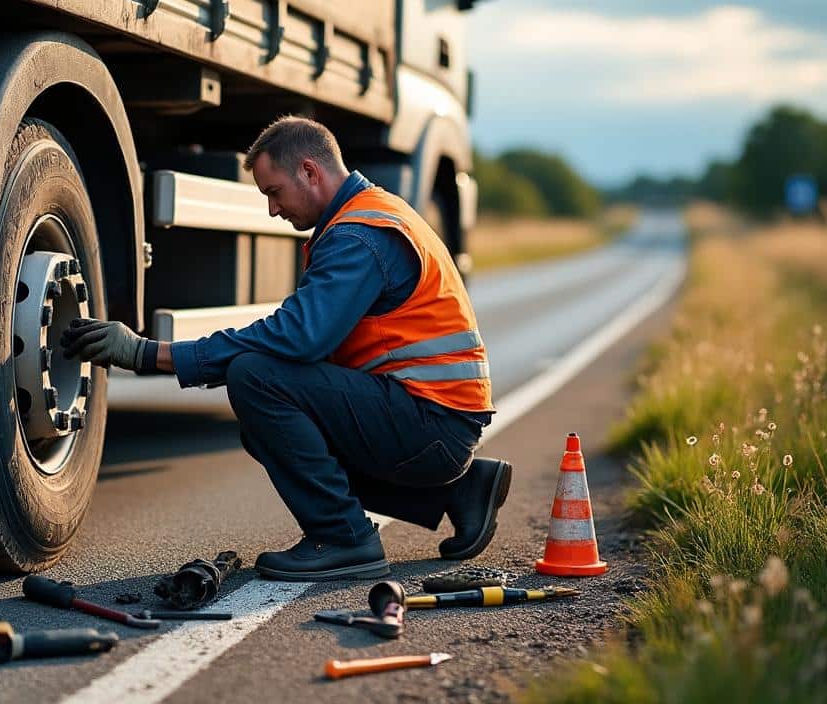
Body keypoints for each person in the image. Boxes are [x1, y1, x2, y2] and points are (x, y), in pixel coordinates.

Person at [61, 116, 510, 581]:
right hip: (431, 420)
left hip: (431, 425)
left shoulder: (359, 236)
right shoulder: (367, 216)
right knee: (264, 426)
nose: (273, 210)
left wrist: (150, 353)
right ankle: (458, 492)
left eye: (274, 192)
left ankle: (344, 537)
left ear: (310, 173)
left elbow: (298, 338)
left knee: (256, 378)